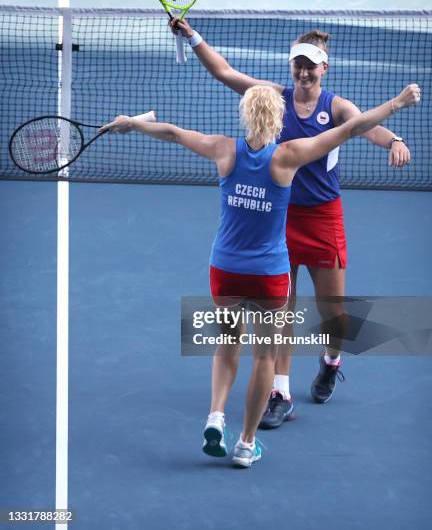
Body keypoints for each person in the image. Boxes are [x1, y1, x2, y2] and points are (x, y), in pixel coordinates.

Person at [101, 83, 419, 467]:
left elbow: (171, 132)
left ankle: (216, 415)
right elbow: (351, 129)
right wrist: (397, 103)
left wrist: (132, 124)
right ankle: (246, 444)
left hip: (225, 271)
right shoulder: (288, 156)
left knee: (226, 346)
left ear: (246, 115)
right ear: (278, 119)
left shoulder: (223, 149)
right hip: (268, 276)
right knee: (265, 356)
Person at [170, 18, 413, 427]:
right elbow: (224, 72)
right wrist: (192, 36)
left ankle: (331, 360)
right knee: (281, 310)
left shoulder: (335, 107)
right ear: (292, 67)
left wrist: (394, 140)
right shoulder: (274, 98)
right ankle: (279, 391)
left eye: (310, 66)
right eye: (297, 65)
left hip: (323, 217)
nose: (303, 72)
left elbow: (362, 126)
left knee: (332, 312)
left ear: (324, 69)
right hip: (279, 217)